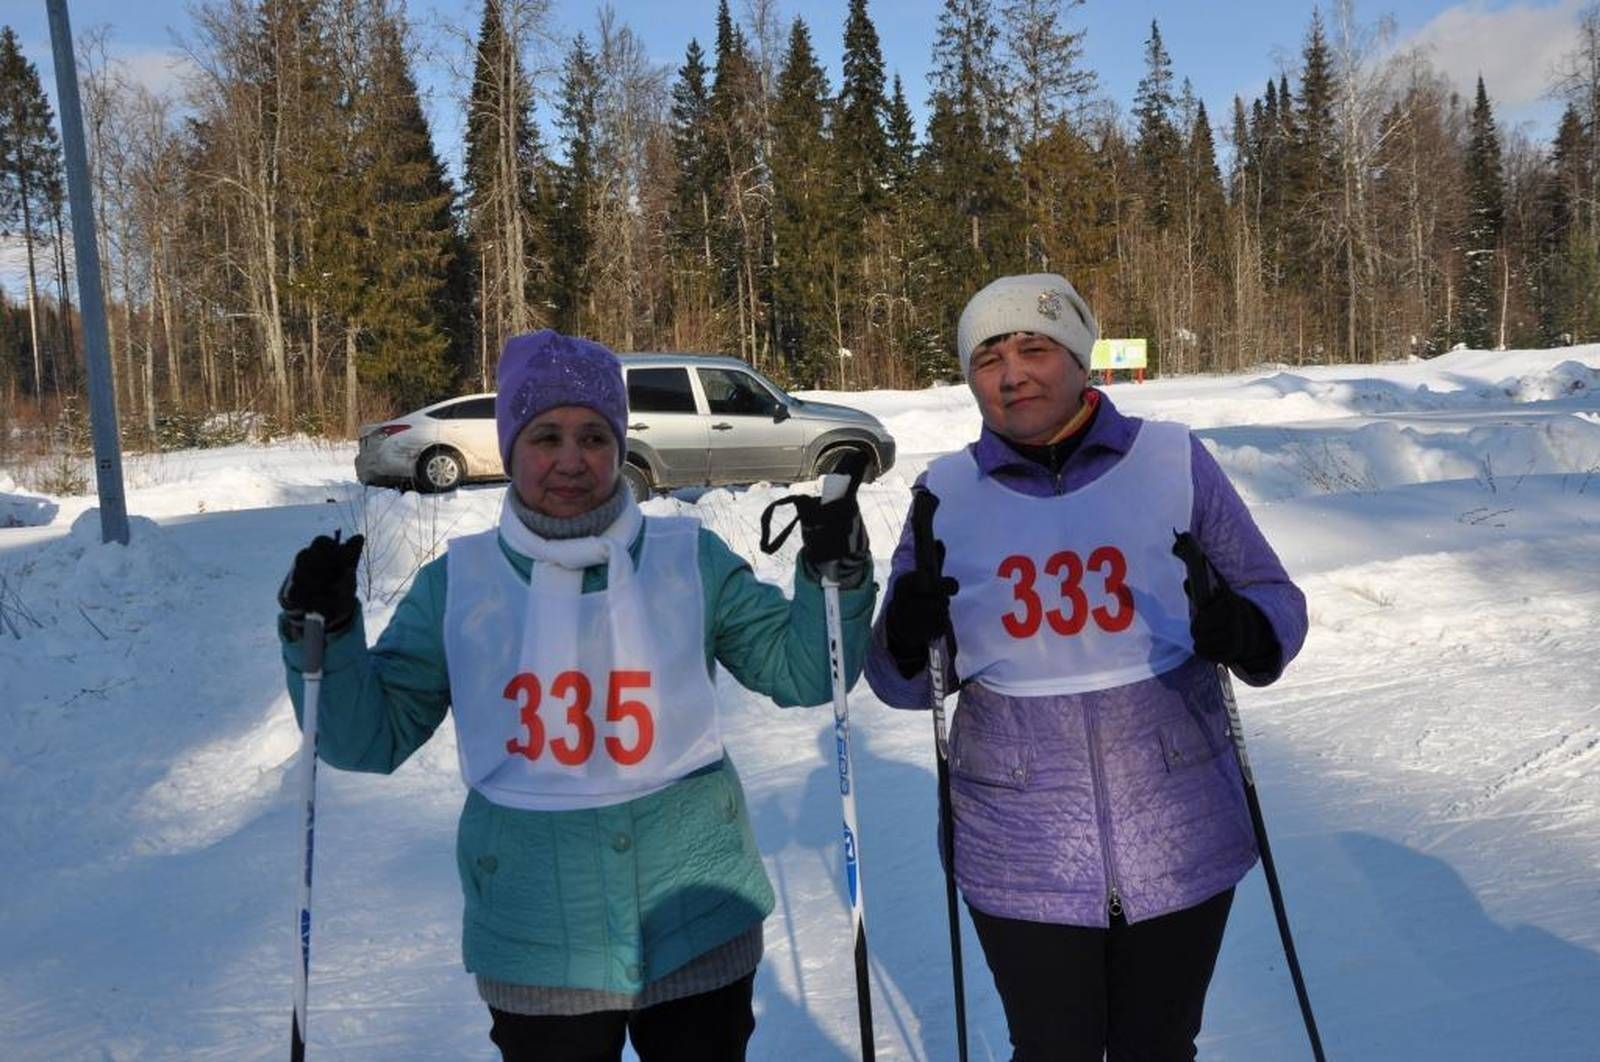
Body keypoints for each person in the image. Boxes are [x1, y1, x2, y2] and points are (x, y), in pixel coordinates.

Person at [277, 330, 875, 1062]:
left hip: (696, 920)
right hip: (535, 937)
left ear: (620, 445)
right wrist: (327, 633)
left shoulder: (689, 560)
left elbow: (805, 672)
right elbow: (367, 740)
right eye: (546, 436)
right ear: (511, 448)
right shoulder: (456, 584)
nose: (571, 459)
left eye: (594, 435)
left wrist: (832, 576)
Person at [866, 274, 1307, 1061]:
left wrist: (1242, 627)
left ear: (1079, 357)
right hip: (1016, 840)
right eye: (987, 359)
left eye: (1034, 348)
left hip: (1179, 826)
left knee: (1160, 1045)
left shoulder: (1172, 459)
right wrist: (903, 634)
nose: (1011, 375)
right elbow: (903, 683)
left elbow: (1275, 601)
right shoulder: (947, 491)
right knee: (1051, 1048)